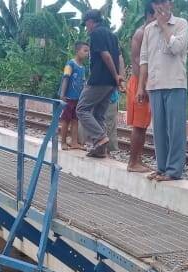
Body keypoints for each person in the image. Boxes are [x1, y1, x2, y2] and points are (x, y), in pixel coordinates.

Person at [137, 0, 188, 182]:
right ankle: (161, 168)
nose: (159, 6)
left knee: (176, 130)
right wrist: (140, 86)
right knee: (158, 129)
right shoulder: (149, 30)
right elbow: (144, 59)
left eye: (163, 2)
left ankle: (173, 171)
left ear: (171, 4)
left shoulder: (181, 24)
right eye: (156, 3)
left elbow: (176, 48)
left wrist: (164, 25)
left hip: (175, 83)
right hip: (155, 85)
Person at [76, 9, 124, 159]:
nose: (86, 27)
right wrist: (118, 78)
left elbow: (106, 55)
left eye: (86, 24)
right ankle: (101, 150)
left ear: (91, 21)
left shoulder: (96, 34)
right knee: (98, 114)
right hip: (110, 82)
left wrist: (116, 75)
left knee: (82, 109)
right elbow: (119, 57)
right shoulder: (112, 35)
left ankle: (100, 138)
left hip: (99, 80)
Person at [126, 2, 157, 172]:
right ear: (150, 15)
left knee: (143, 124)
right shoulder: (140, 33)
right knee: (138, 125)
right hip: (139, 83)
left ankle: (138, 159)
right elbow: (137, 61)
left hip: (146, 83)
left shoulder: (150, 33)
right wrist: (142, 87)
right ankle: (132, 163)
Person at [59, 42, 90, 150]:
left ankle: (74, 142)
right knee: (66, 120)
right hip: (68, 97)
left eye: (88, 51)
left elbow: (83, 82)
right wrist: (62, 94)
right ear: (77, 51)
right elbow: (66, 78)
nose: (87, 53)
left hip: (78, 98)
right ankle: (63, 141)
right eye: (85, 50)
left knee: (75, 120)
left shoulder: (83, 67)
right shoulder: (70, 64)